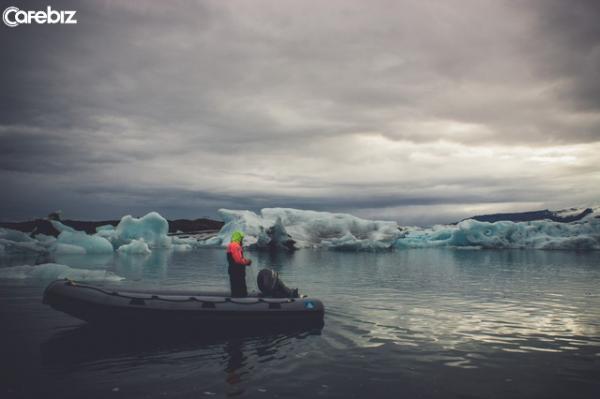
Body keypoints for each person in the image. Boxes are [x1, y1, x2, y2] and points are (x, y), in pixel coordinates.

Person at [226, 231, 252, 297]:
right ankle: (241, 302)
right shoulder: (235, 245)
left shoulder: (232, 244)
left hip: (233, 270)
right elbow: (238, 260)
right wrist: (247, 261)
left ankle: (235, 300)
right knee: (240, 288)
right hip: (237, 271)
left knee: (235, 287)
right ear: (239, 237)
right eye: (241, 238)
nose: (242, 240)